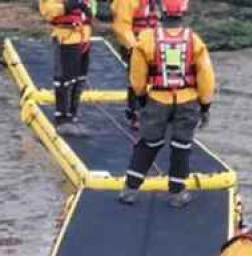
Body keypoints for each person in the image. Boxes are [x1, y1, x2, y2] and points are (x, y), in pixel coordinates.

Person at [117, 0, 213, 209]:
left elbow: (137, 76)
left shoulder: (146, 39)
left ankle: (130, 190)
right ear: (184, 12)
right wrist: (205, 105)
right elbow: (206, 76)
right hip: (187, 101)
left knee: (148, 144)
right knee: (181, 147)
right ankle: (177, 194)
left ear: (161, 11)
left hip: (157, 100)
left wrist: (141, 98)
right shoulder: (194, 40)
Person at [39, 0, 95, 133]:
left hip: (83, 37)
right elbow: (49, 11)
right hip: (65, 37)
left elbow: (90, 10)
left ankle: (72, 115)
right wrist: (71, 5)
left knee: (79, 80)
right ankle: (62, 118)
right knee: (64, 80)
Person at [110, 0, 161, 130]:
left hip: (152, 43)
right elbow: (121, 27)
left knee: (155, 78)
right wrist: (135, 47)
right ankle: (135, 113)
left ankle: (152, 111)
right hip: (135, 44)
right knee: (137, 78)